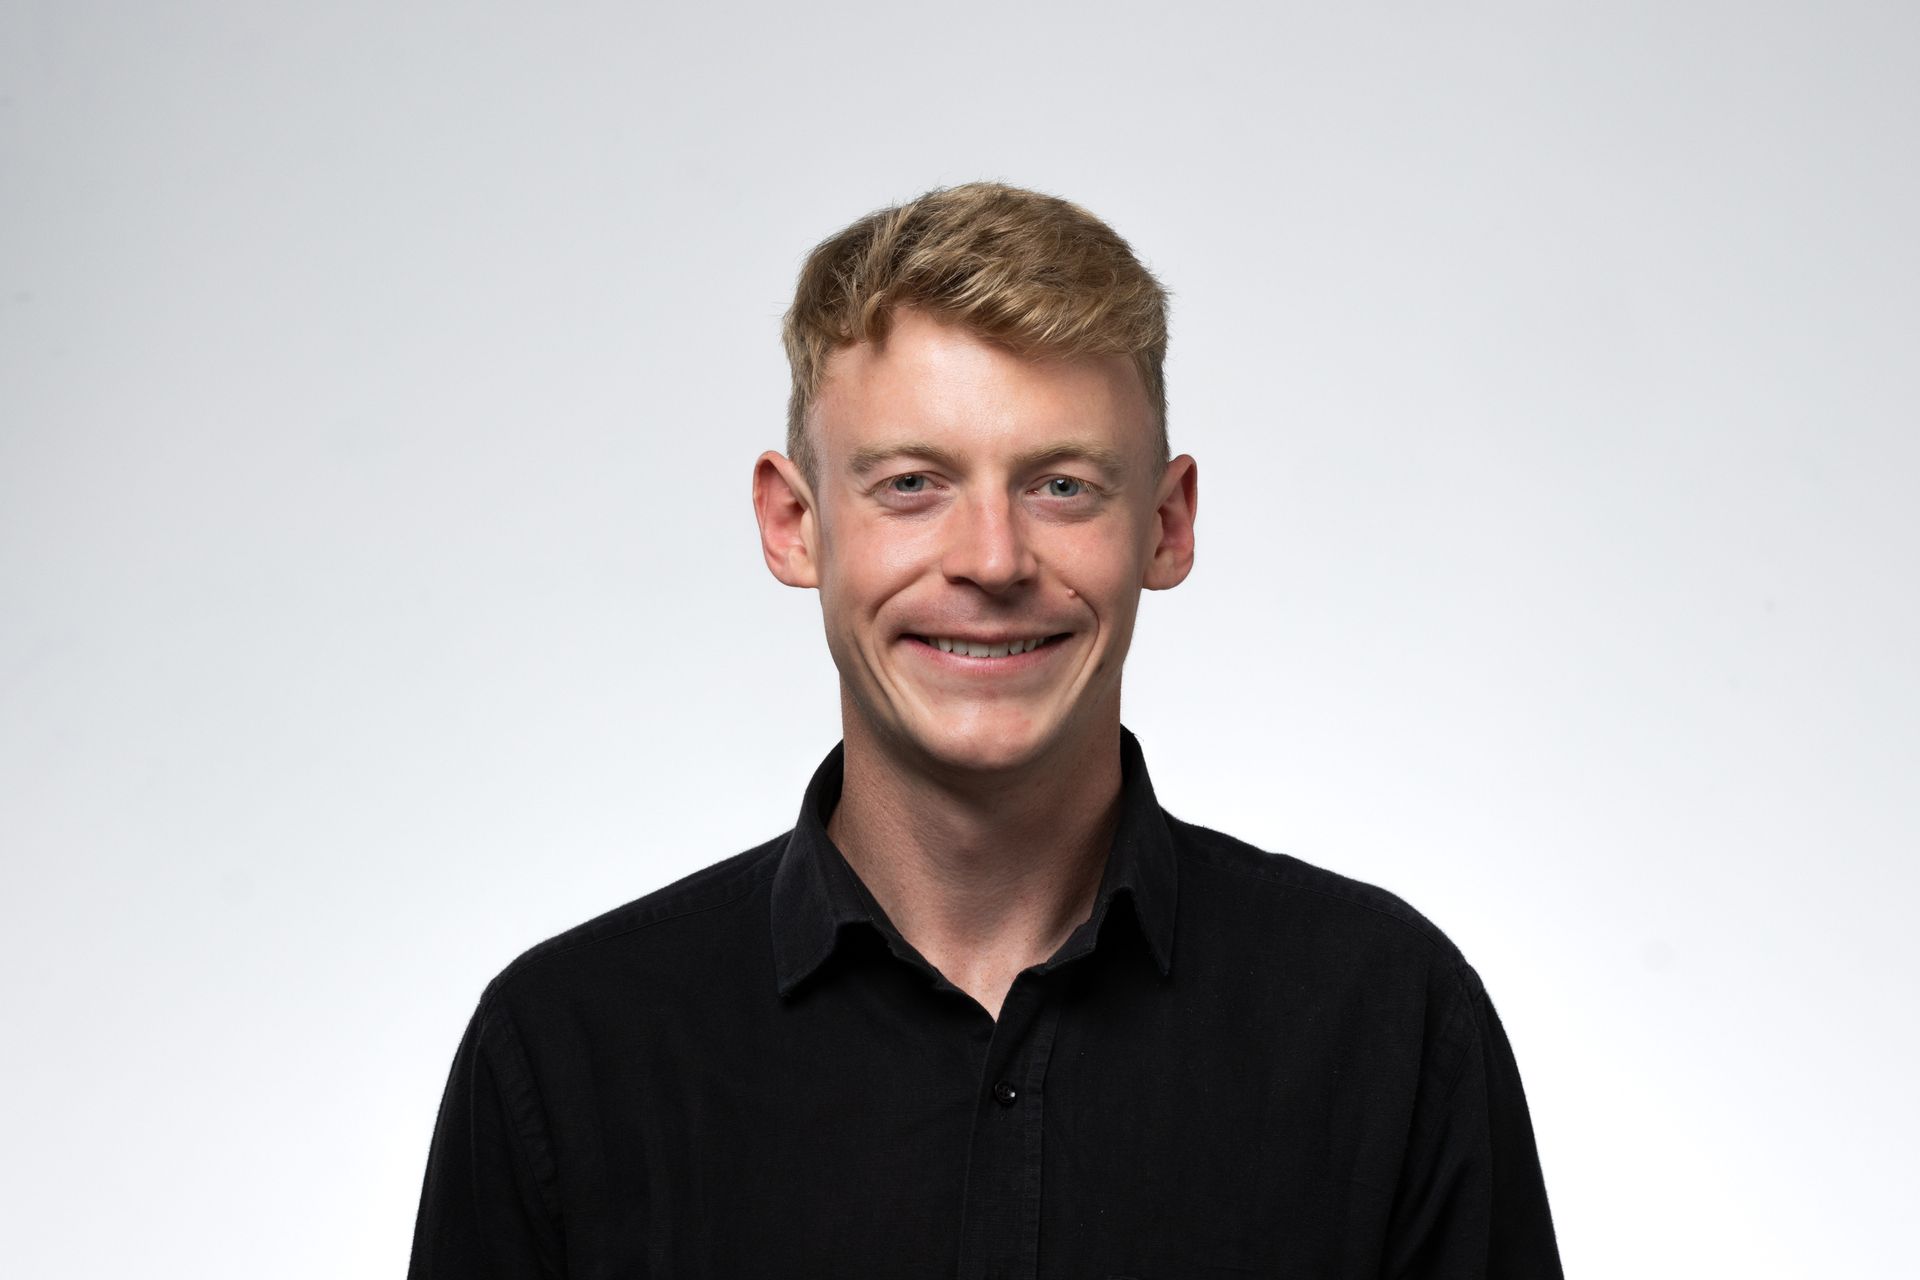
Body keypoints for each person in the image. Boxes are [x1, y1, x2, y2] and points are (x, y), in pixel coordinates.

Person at [408, 182, 1563, 1278]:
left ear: (1165, 525)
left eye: (1062, 485)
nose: (993, 560)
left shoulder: (1389, 1025)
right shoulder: (568, 1055)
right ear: (793, 522)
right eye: (912, 483)